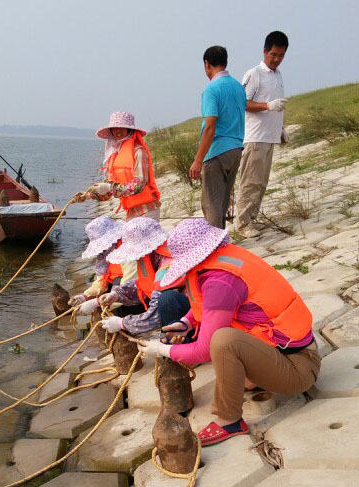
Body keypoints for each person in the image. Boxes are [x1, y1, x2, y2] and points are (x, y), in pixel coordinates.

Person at [135, 218, 320, 446]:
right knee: (222, 338)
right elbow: (208, 305)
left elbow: (202, 352)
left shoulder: (221, 281)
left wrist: (162, 348)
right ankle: (252, 381)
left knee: (222, 340)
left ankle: (229, 420)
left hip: (298, 368)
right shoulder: (221, 259)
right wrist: (186, 322)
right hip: (281, 353)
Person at [81, 217, 189, 336]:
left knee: (167, 299)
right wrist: (116, 295)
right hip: (172, 305)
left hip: (190, 313)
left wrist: (123, 323)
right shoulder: (151, 257)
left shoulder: (168, 265)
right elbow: (140, 285)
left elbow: (155, 316)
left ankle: (179, 344)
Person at [235, 31, 290, 238]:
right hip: (255, 137)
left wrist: (281, 129)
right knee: (251, 181)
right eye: (273, 54)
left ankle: (252, 219)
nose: (276, 59)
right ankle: (242, 224)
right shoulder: (254, 74)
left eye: (281, 56)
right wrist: (268, 105)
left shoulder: (278, 76)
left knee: (262, 182)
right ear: (265, 51)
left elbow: (277, 107)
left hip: (270, 136)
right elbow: (243, 103)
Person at [189, 46, 246, 229]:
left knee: (211, 204)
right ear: (226, 62)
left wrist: (198, 160)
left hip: (217, 152)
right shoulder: (238, 87)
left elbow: (210, 126)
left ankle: (215, 248)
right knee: (222, 202)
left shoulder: (211, 90)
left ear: (207, 64)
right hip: (236, 149)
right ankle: (221, 242)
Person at [78, 111, 161, 221]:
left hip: (147, 212)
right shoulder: (115, 154)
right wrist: (88, 195)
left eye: (121, 128)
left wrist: (109, 188)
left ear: (130, 130)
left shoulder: (139, 152)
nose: (117, 131)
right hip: (131, 212)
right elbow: (110, 188)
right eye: (114, 128)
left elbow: (139, 184)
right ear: (111, 131)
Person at [70, 216, 136, 312]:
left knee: (116, 285)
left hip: (134, 292)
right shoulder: (104, 254)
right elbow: (101, 282)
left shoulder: (127, 249)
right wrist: (85, 296)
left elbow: (130, 283)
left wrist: (96, 302)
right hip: (117, 288)